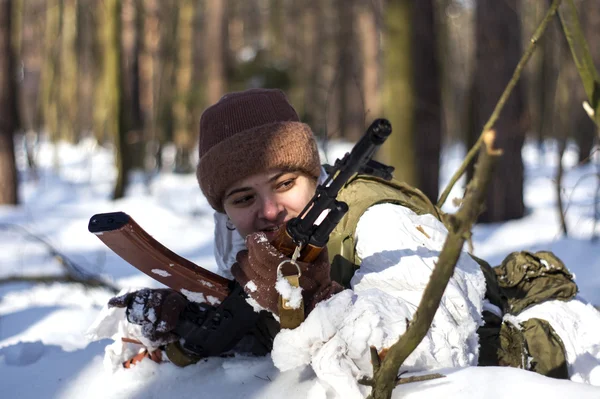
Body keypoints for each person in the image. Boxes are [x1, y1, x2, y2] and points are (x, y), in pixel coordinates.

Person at [104, 88, 600, 391]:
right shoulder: (240, 232)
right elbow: (257, 319)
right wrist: (189, 324)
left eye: (283, 184)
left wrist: (320, 301)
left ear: (313, 175)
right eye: (242, 198)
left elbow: (437, 345)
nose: (269, 210)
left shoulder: (375, 217)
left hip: (540, 351)